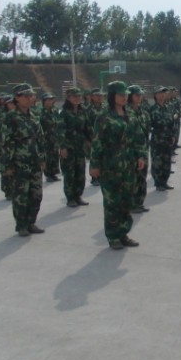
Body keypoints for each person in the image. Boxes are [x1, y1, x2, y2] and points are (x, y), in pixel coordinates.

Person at [88, 81, 145, 250]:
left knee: (126, 200)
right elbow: (97, 142)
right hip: (110, 165)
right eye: (121, 95)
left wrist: (141, 155)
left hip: (128, 165)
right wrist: (94, 164)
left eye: (126, 95)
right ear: (112, 96)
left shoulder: (130, 114)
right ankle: (113, 236)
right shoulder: (104, 116)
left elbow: (138, 137)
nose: (124, 97)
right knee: (112, 202)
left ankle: (123, 233)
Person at [2, 83, 46, 236]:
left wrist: (42, 158)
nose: (29, 98)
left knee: (36, 195)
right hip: (19, 163)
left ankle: (31, 222)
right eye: (25, 96)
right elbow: (6, 142)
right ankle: (21, 225)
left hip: (34, 162)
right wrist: (7, 165)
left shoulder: (34, 116)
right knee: (21, 196)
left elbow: (40, 139)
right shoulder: (11, 117)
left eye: (31, 95)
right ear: (17, 98)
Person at [58, 88, 90, 207]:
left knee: (80, 173)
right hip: (69, 146)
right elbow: (60, 131)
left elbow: (87, 128)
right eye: (74, 96)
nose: (77, 98)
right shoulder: (64, 113)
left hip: (80, 147)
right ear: (68, 98)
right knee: (69, 173)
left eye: (79, 96)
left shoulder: (83, 111)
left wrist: (90, 141)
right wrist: (62, 147)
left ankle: (78, 196)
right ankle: (70, 198)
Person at [127, 85, 151, 214]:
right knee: (133, 178)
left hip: (143, 150)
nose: (139, 97)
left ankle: (139, 202)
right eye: (136, 95)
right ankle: (132, 203)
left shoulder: (144, 113)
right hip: (131, 151)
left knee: (142, 176)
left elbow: (146, 132)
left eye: (140, 95)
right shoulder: (125, 112)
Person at [149, 87, 176, 191]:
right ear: (155, 95)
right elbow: (149, 125)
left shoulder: (168, 108)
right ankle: (158, 183)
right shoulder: (152, 109)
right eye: (160, 93)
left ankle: (164, 182)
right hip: (157, 140)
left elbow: (172, 123)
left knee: (167, 161)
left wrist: (173, 135)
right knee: (157, 162)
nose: (162, 95)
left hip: (167, 139)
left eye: (164, 93)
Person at [40, 93, 61, 182]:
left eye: (51, 100)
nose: (49, 102)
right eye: (48, 100)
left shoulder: (55, 111)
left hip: (54, 137)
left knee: (55, 155)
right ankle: (48, 174)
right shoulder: (41, 113)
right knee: (48, 156)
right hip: (46, 138)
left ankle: (54, 173)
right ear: (44, 101)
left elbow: (58, 123)